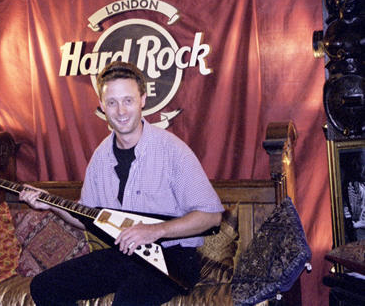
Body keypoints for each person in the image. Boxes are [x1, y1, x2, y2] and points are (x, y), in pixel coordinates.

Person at [19, 61, 224, 305]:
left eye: (128, 100)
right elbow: (86, 216)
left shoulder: (172, 151)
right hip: (126, 255)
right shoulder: (100, 156)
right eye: (112, 102)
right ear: (103, 106)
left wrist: (155, 231)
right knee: (45, 286)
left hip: (174, 258)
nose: (121, 111)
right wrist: (50, 204)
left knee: (128, 300)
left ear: (143, 100)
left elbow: (211, 217)